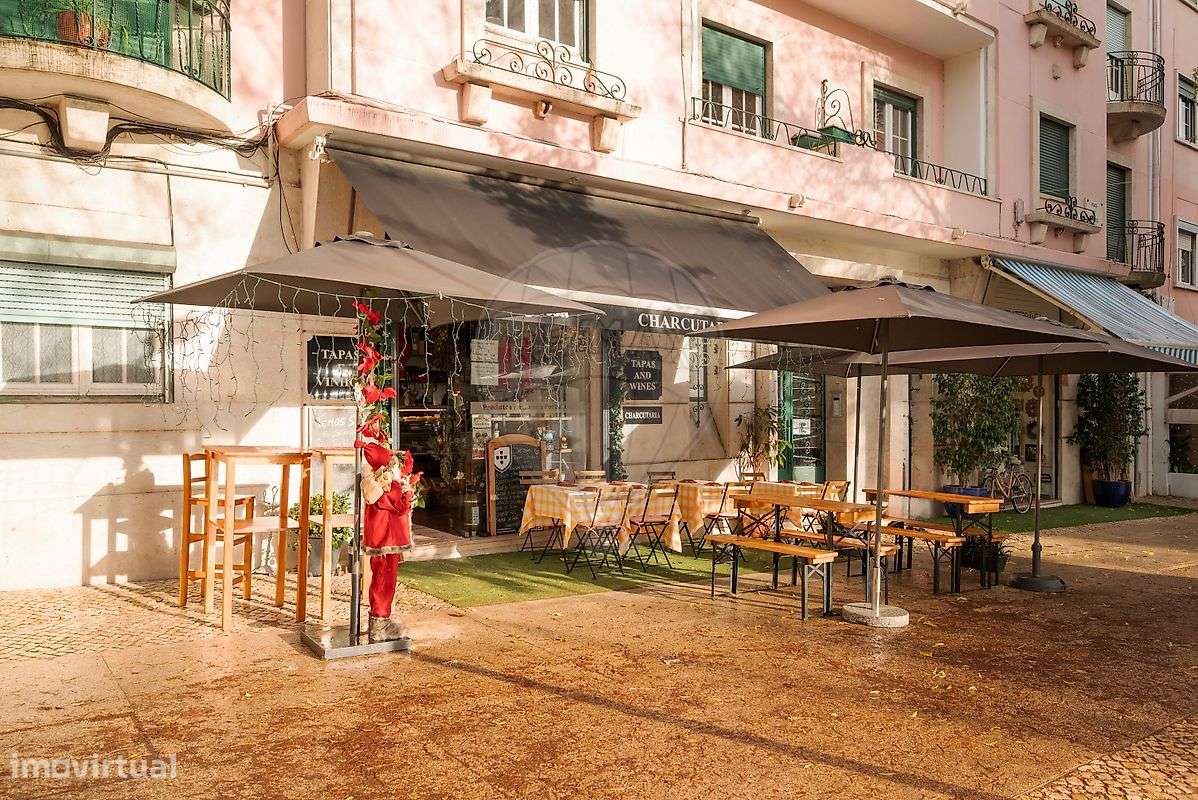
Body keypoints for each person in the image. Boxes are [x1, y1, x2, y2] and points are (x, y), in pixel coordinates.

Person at [359, 441, 419, 643]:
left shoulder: (375, 481)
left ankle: (379, 619)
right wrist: (409, 491)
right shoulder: (388, 484)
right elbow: (401, 507)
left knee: (380, 578)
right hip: (387, 539)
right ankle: (380, 623)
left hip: (380, 539)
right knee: (385, 580)